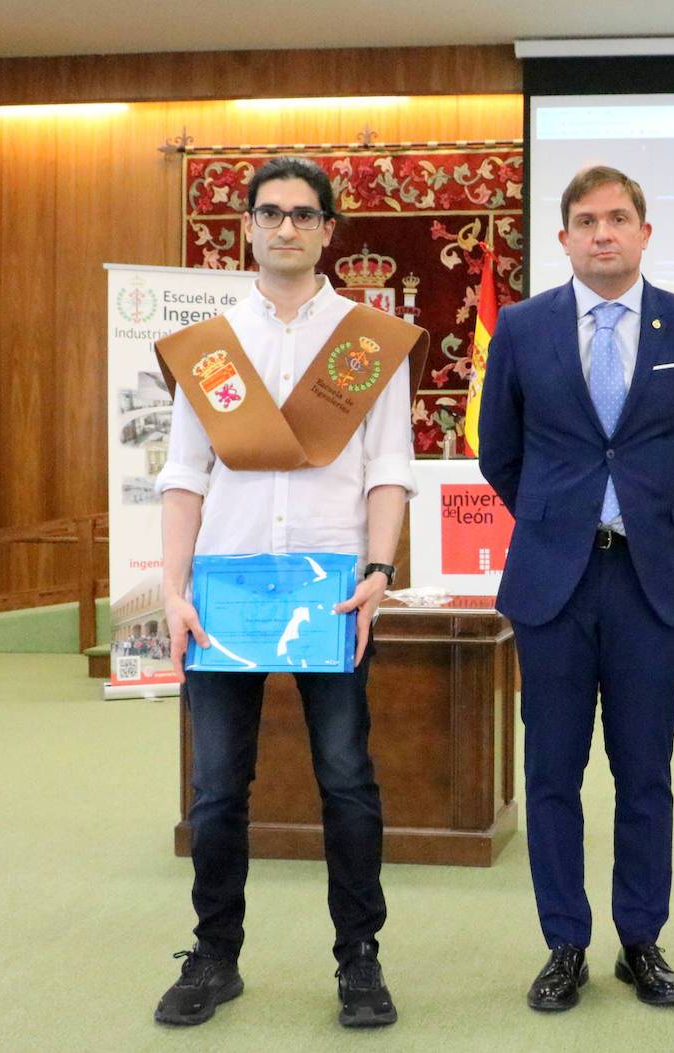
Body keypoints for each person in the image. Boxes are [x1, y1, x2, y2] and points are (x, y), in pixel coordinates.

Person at [151, 156, 427, 1029]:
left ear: (328, 230)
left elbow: (389, 469)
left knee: (346, 780)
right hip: (224, 595)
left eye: (303, 215)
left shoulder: (367, 339)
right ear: (248, 225)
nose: (285, 228)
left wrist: (381, 570)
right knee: (219, 788)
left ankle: (359, 959)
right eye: (269, 213)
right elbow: (183, 475)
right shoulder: (210, 346)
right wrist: (171, 588)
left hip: (334, 594)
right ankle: (215, 954)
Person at [478, 165, 674, 1013]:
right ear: (564, 239)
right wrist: (559, 519)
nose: (603, 234)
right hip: (553, 581)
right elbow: (498, 451)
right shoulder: (520, 327)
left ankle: (641, 939)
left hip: (649, 582)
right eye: (586, 221)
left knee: (644, 769)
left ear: (645, 231)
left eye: (618, 218)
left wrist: (642, 519)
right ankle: (564, 942)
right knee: (552, 768)